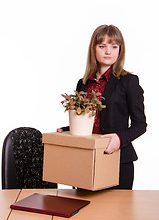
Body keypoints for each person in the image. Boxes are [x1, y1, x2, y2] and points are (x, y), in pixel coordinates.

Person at [57, 24, 147, 189]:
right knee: (86, 212)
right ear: (94, 49)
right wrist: (68, 129)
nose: (108, 51)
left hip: (118, 160)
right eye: (102, 46)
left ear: (120, 50)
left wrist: (119, 139)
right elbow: (89, 121)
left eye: (114, 46)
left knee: (116, 213)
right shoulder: (83, 83)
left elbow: (140, 125)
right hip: (86, 159)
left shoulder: (129, 81)